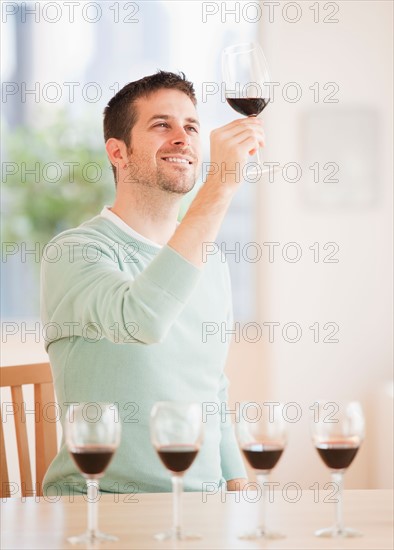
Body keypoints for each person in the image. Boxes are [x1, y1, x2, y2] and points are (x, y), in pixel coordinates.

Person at [41, 71, 265, 495]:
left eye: (192, 127)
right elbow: (142, 319)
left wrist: (239, 488)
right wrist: (220, 185)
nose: (183, 137)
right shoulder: (73, 252)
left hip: (204, 509)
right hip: (102, 508)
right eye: (162, 124)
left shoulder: (211, 262)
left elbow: (211, 387)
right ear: (118, 153)